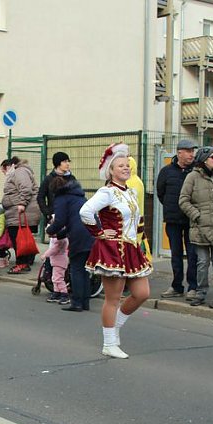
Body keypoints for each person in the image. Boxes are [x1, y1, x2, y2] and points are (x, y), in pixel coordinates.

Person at [79, 143, 152, 358]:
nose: (125, 168)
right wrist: (99, 233)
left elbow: (137, 221)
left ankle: (116, 325)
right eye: (120, 166)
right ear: (111, 170)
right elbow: (86, 211)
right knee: (113, 298)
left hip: (131, 248)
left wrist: (142, 244)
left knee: (142, 293)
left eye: (127, 165)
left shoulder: (129, 191)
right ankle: (109, 343)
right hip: (113, 249)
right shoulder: (107, 192)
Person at [178, 146, 213, 309]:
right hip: (200, 229)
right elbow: (183, 200)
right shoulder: (192, 177)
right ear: (204, 160)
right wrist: (197, 215)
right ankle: (200, 293)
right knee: (202, 263)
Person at [46, 173, 94, 312]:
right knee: (85, 270)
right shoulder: (79, 196)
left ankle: (77, 303)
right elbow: (72, 219)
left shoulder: (62, 198)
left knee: (76, 269)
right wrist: (61, 234)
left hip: (79, 236)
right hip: (90, 232)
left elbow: (61, 220)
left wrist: (50, 230)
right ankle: (85, 302)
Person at [157, 139, 198, 300]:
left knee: (193, 254)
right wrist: (171, 207)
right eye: (188, 151)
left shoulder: (196, 171)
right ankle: (176, 286)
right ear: (179, 152)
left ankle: (193, 287)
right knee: (176, 254)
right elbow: (161, 193)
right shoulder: (166, 171)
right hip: (173, 220)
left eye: (192, 151)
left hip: (191, 220)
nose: (191, 154)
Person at [0, 156, 40, 274]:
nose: (4, 173)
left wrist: (22, 203)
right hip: (16, 212)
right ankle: (24, 262)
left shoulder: (20, 171)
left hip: (20, 212)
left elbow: (26, 188)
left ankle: (22, 264)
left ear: (10, 166)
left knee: (18, 239)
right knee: (20, 238)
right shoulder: (20, 172)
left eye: (4, 170)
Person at [37, 151, 73, 218]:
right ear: (58, 163)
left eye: (68, 161)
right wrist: (47, 213)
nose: (68, 164)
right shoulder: (48, 179)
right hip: (54, 217)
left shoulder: (72, 178)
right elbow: (40, 197)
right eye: (65, 161)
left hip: (70, 216)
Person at [43, 234, 70, 305]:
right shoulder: (60, 239)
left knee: (58, 279)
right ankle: (56, 292)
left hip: (59, 262)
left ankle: (64, 294)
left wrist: (45, 255)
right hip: (57, 262)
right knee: (55, 278)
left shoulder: (60, 240)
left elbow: (54, 249)